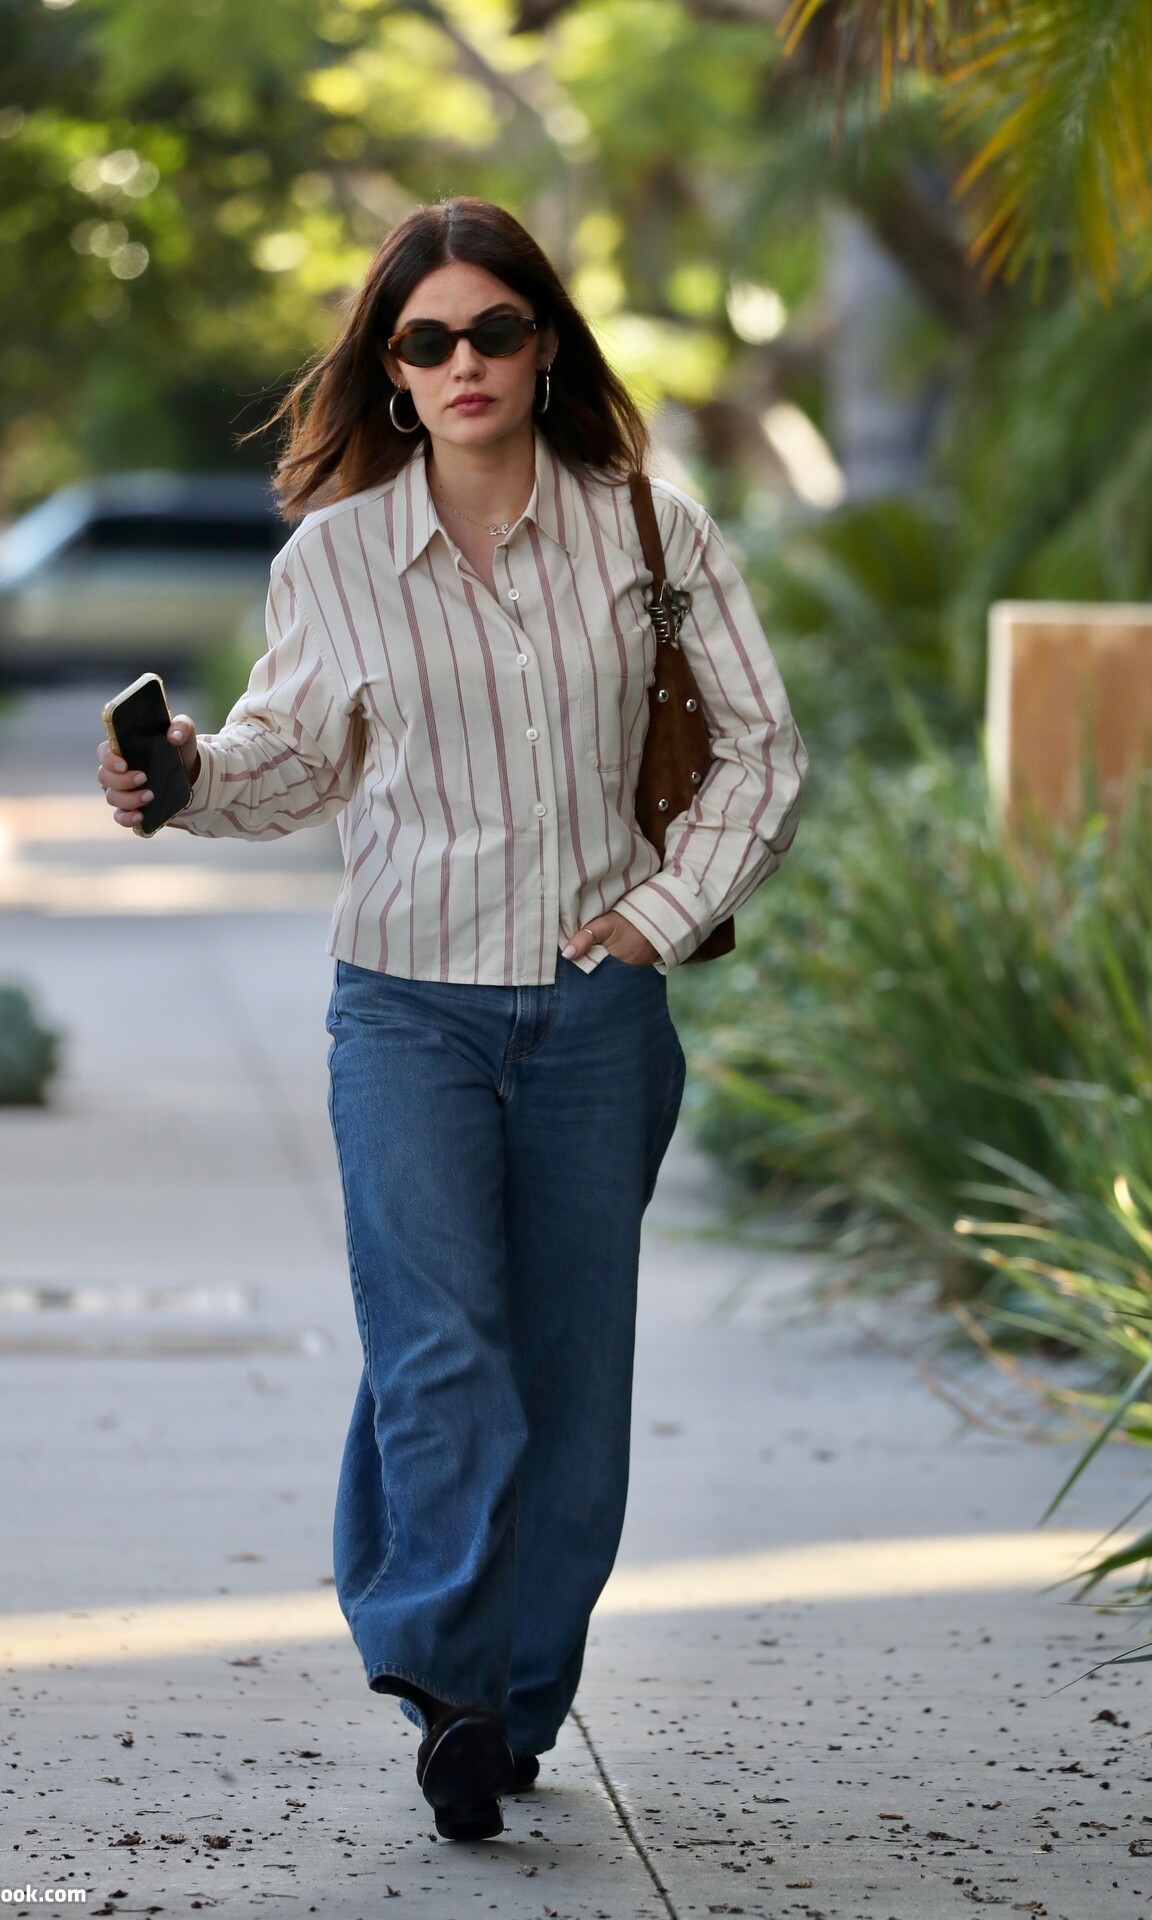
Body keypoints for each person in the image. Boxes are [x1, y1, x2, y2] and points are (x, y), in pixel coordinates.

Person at [96, 195, 807, 1843]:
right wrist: (182, 776)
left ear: (545, 345)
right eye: (427, 340)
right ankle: (449, 1693)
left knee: (566, 1378)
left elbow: (764, 752)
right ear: (392, 372)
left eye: (495, 329)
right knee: (440, 1348)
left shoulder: (652, 534)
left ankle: (518, 1693)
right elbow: (289, 762)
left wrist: (656, 916)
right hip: (405, 1007)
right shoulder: (336, 558)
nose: (464, 360)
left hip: (595, 1016)